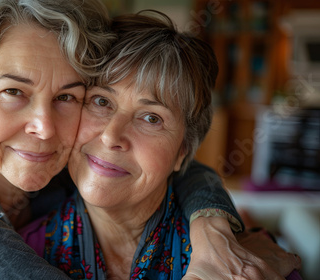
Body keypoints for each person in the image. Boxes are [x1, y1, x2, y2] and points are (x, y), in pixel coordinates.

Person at [0, 0, 297, 279]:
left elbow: (170, 168)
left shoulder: (50, 180)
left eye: (68, 97)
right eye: (13, 91)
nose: (46, 127)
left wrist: (211, 224)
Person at [21, 10, 301, 280]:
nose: (111, 136)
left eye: (151, 118)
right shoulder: (24, 249)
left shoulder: (245, 265)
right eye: (101, 101)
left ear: (182, 152)